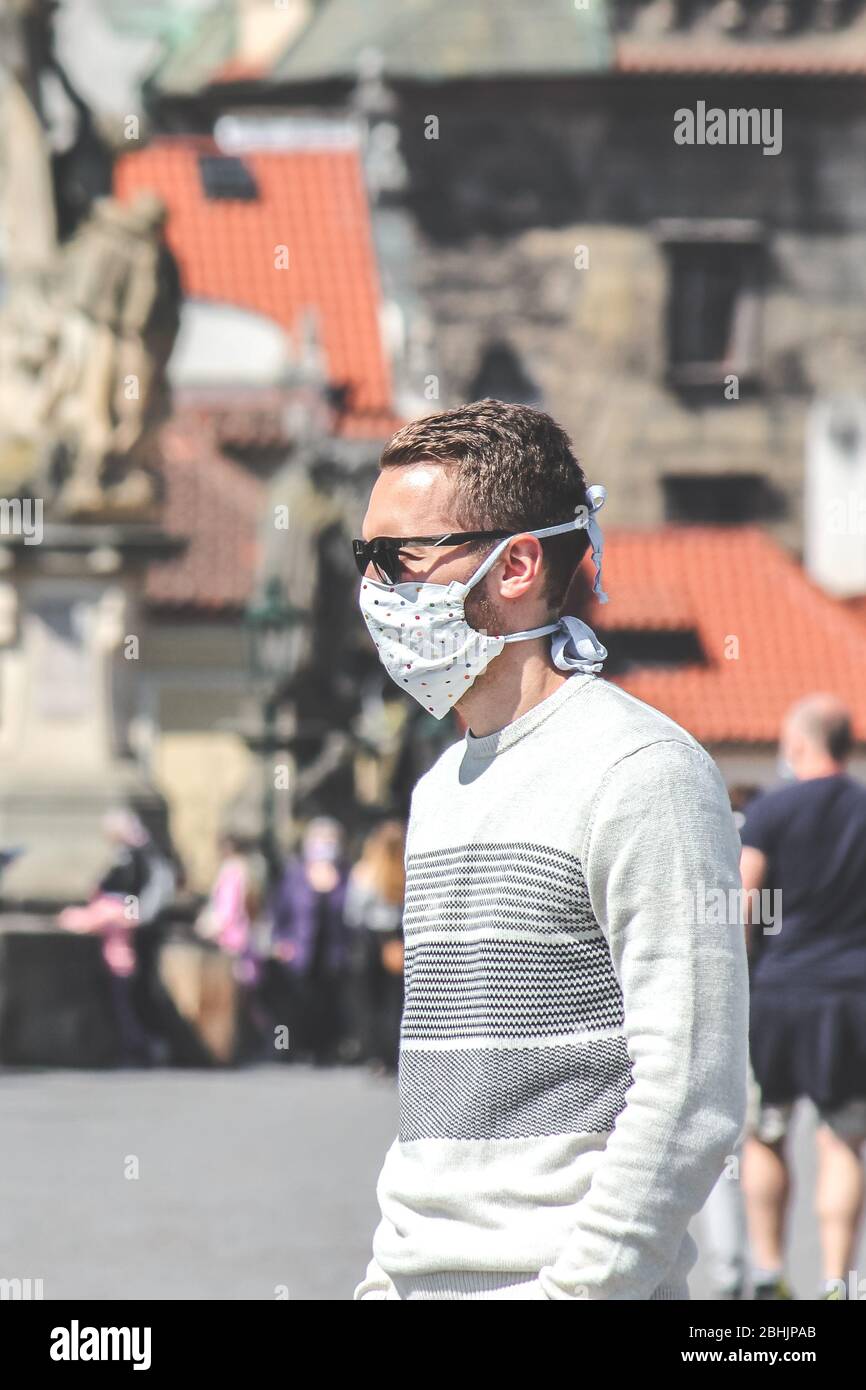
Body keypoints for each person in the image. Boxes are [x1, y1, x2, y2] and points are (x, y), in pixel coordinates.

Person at [351, 398, 748, 1301]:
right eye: (363, 558)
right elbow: (439, 1102)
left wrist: (579, 1293)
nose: (374, 589)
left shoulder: (642, 771)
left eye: (397, 558)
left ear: (518, 562)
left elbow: (693, 1087)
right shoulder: (438, 791)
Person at [739, 694, 866, 1301]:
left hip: (780, 994)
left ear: (799, 743)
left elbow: (745, 901)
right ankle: (836, 1283)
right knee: (843, 1139)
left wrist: (739, 976)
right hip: (852, 998)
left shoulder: (772, 810)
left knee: (767, 1131)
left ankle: (768, 1273)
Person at [58, 808, 177, 1066]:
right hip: (135, 933)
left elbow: (134, 893)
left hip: (133, 935)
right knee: (136, 996)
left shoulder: (135, 857)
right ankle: (146, 1045)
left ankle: (143, 1046)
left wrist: (132, 916)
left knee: (135, 999)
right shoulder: (145, 853)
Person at [269, 818, 351, 1066]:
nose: (325, 846)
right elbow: (279, 912)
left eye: (330, 841)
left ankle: (324, 1050)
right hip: (300, 951)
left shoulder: (346, 876)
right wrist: (280, 941)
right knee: (295, 1003)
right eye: (320, 840)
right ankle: (289, 1048)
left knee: (327, 1003)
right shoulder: (295, 875)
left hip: (332, 953)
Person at [345, 821, 406, 1075]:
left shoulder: (366, 872)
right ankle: (395, 1053)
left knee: (371, 1001)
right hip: (398, 939)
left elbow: (352, 914)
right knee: (397, 1001)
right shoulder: (405, 870)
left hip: (371, 940)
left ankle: (377, 1055)